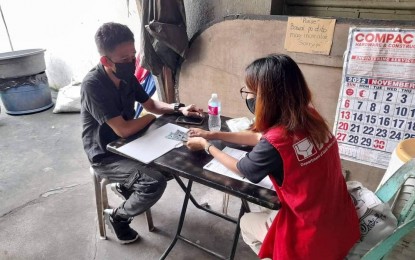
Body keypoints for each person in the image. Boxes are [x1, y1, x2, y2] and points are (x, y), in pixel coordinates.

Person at [186, 54, 360, 259]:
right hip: (338, 216)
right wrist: (214, 134)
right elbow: (260, 136)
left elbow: (244, 169)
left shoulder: (277, 140)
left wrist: (207, 146)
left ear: (266, 98)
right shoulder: (309, 116)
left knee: (246, 222)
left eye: (249, 92)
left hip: (310, 233)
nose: (248, 98)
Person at [81, 22, 202, 244]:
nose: (131, 61)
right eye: (124, 59)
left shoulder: (126, 76)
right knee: (154, 182)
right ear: (105, 61)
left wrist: (179, 108)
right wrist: (149, 118)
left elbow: (152, 104)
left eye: (133, 54)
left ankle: (125, 185)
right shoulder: (93, 85)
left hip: (130, 144)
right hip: (106, 154)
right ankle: (118, 217)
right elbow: (125, 129)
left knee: (177, 162)